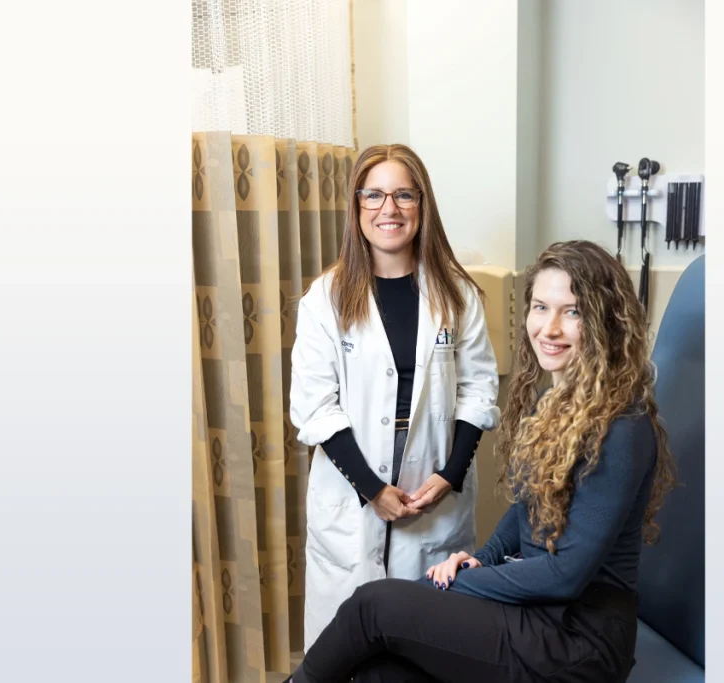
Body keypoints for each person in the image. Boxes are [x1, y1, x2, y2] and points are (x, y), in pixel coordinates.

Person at [288, 240, 679, 683]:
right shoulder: (560, 402)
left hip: (580, 638)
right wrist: (481, 558)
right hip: (539, 613)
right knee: (383, 669)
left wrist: (459, 583)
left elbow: (565, 575)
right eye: (540, 306)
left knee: (373, 606)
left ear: (606, 320)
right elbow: (527, 510)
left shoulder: (622, 425)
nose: (549, 328)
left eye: (573, 312)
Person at [289, 143, 501, 650]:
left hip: (434, 502)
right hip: (351, 504)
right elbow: (315, 407)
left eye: (404, 195)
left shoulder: (457, 293)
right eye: (375, 195)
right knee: (343, 656)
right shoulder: (325, 299)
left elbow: (478, 390)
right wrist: (371, 489)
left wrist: (450, 474)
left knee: (425, 655)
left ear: (422, 206)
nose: (390, 209)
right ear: (357, 206)